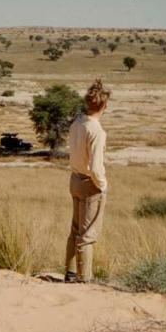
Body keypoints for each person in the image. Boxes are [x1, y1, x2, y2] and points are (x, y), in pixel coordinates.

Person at [65, 79, 111, 283]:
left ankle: (70, 272)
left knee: (75, 230)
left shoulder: (77, 122)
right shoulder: (97, 131)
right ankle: (84, 280)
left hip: (74, 179)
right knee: (88, 234)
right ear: (104, 105)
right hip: (89, 183)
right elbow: (96, 167)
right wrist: (102, 185)